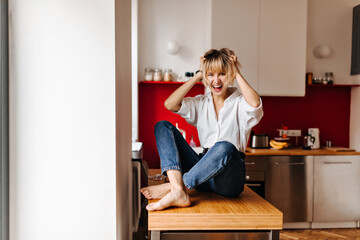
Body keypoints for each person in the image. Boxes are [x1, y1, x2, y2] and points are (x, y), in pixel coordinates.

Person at [141, 48, 263, 211]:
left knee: (224, 146)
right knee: (162, 126)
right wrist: (199, 74)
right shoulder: (201, 102)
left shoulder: (241, 103)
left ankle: (178, 187)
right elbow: (170, 104)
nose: (216, 80)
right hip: (203, 171)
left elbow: (255, 104)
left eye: (222, 74)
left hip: (229, 178)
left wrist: (237, 71)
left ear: (231, 75)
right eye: (210, 74)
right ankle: (178, 190)